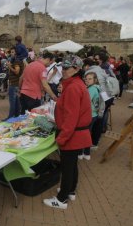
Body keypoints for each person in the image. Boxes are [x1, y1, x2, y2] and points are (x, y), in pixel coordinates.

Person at [43, 55, 92, 209]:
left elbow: (71, 117)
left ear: (76, 69)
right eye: (62, 67)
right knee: (72, 165)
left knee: (67, 166)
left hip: (73, 135)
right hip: (76, 134)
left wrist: (62, 138)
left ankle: (62, 199)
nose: (63, 70)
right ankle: (70, 191)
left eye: (67, 67)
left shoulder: (73, 87)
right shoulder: (74, 84)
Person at [79, 72, 101, 160]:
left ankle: (82, 153)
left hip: (89, 115)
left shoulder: (92, 89)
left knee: (83, 134)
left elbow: (84, 102)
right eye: (86, 78)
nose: (87, 80)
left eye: (90, 79)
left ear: (95, 80)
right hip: (93, 114)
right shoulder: (95, 88)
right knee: (87, 133)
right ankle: (86, 153)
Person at [3, 52, 24, 120]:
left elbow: (17, 72)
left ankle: (10, 117)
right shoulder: (19, 61)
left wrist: (9, 66)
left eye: (13, 52)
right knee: (17, 102)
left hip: (14, 84)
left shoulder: (16, 62)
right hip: (16, 84)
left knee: (12, 102)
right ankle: (16, 116)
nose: (11, 54)